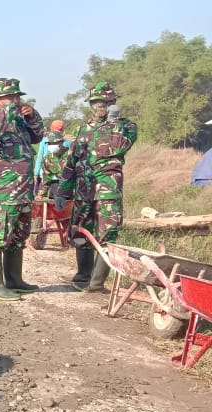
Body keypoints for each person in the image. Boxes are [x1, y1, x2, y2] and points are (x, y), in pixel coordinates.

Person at [57, 82, 138, 292]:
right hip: (84, 191)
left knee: (107, 235)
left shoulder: (126, 127)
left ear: (112, 103)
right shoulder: (83, 128)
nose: (99, 107)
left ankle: (96, 282)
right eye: (95, 103)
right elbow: (71, 162)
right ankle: (82, 275)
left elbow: (119, 146)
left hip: (107, 192)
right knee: (80, 233)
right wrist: (63, 191)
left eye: (104, 103)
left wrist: (113, 122)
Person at [0, 77, 44, 301]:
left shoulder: (21, 120)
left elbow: (38, 136)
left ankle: (14, 280)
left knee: (17, 237)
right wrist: (3, 114)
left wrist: (32, 116)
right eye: (9, 97)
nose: (15, 100)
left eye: (17, 96)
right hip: (0, 191)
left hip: (22, 190)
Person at [34, 120, 71, 192]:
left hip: (45, 176)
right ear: (63, 129)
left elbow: (39, 158)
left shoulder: (44, 141)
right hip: (61, 177)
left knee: (42, 196)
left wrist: (36, 173)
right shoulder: (67, 142)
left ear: (51, 128)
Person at [37, 130, 69, 201]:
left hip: (70, 190)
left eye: (54, 143)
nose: (51, 145)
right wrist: (41, 194)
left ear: (61, 143)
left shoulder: (70, 155)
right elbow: (46, 177)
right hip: (55, 187)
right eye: (49, 143)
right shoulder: (48, 158)